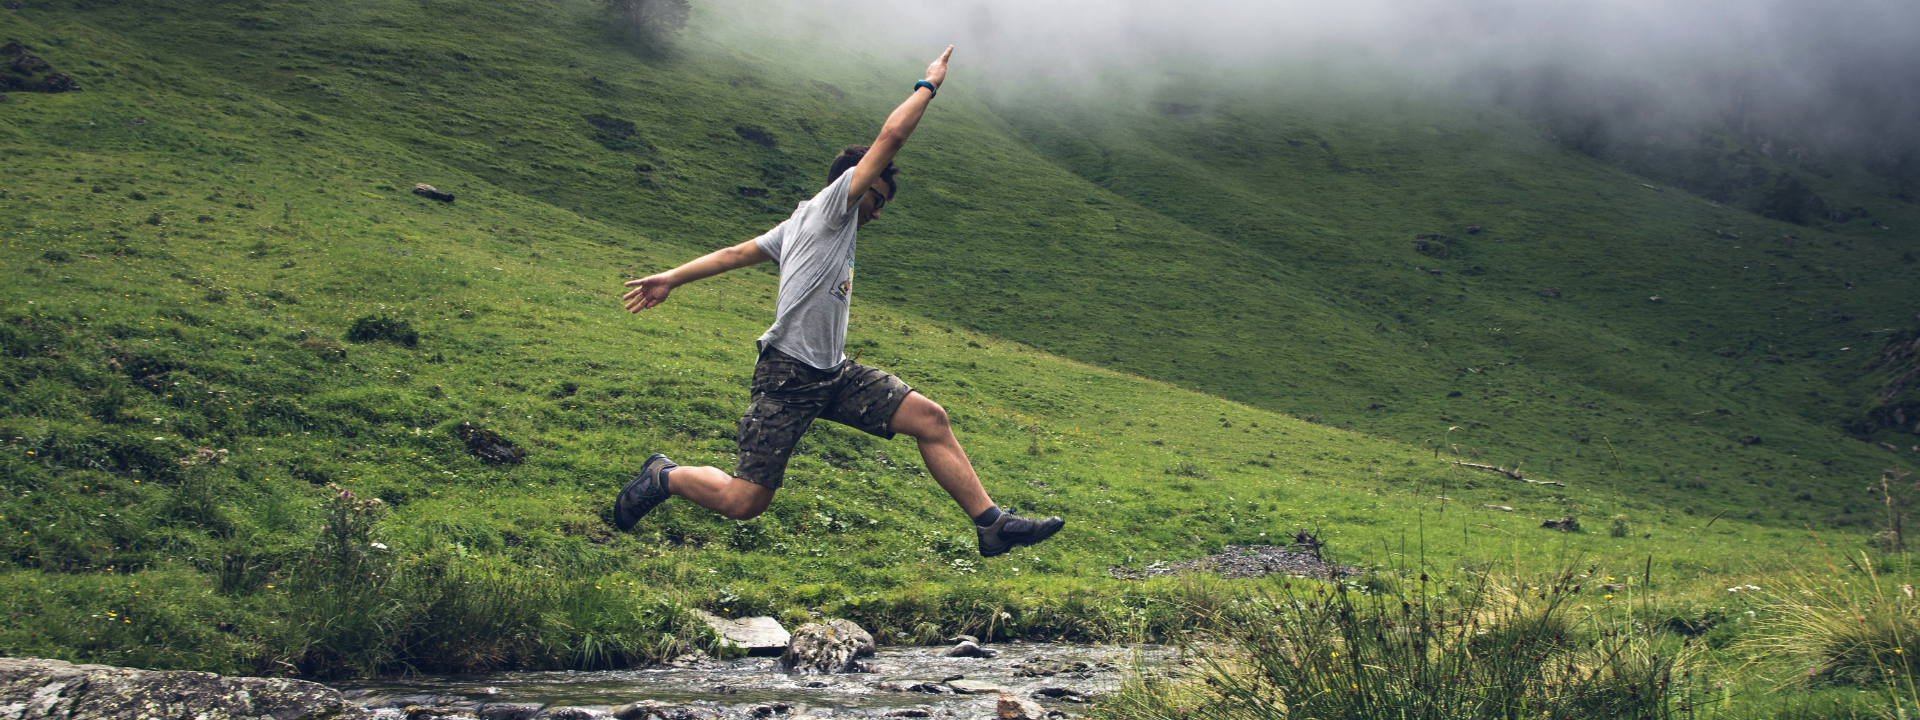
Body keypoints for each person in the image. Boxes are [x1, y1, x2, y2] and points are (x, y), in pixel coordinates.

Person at [612, 46, 1063, 558]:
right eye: (877, 198)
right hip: (787, 376)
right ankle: (664, 476)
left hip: (833, 373)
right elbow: (891, 137)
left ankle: (991, 525)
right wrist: (929, 84)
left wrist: (671, 277)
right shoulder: (831, 208)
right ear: (855, 183)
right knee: (745, 501)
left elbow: (736, 252)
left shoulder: (803, 223)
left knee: (930, 419)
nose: (878, 212)